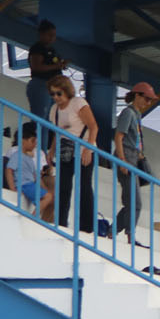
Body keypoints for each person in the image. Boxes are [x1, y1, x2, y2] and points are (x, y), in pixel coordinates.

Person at [46, 76, 98, 234]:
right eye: (52, 94)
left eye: (59, 93)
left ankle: (87, 227)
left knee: (84, 186)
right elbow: (58, 133)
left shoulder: (78, 103)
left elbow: (93, 127)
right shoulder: (54, 110)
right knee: (63, 187)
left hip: (82, 149)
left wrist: (88, 149)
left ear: (66, 91)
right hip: (65, 151)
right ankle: (61, 222)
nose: (56, 97)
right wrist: (51, 151)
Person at [113, 82, 155, 243]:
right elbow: (119, 137)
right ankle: (129, 234)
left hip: (133, 158)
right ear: (137, 95)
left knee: (131, 202)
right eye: (147, 98)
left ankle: (114, 230)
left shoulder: (135, 114)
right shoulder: (128, 113)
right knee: (134, 203)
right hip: (127, 158)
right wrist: (122, 161)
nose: (148, 102)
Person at [4, 122, 54, 219]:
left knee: (49, 195)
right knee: (48, 197)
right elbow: (9, 170)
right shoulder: (16, 154)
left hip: (30, 184)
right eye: (32, 141)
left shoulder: (31, 158)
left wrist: (45, 188)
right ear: (23, 141)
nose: (35, 144)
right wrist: (12, 188)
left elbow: (36, 176)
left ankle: (43, 219)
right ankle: (33, 217)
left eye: (36, 141)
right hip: (24, 185)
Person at [26, 19, 66, 120]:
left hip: (53, 87)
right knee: (40, 117)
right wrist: (56, 66)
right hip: (41, 84)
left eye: (54, 35)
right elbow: (36, 67)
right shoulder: (37, 48)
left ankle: (44, 136)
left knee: (50, 118)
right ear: (41, 34)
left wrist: (60, 65)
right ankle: (36, 135)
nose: (52, 38)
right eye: (49, 35)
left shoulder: (52, 50)